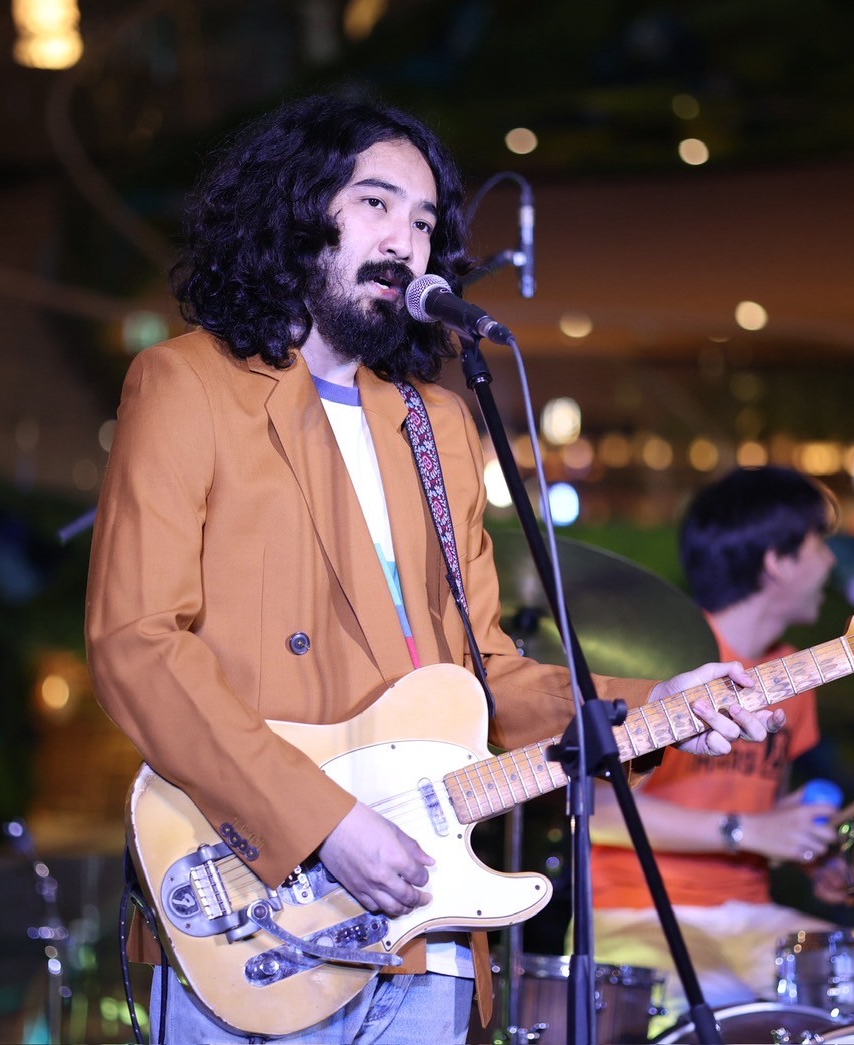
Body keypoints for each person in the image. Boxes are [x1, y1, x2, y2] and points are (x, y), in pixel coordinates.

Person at [83, 93, 784, 1044]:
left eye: (422, 222)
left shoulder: (438, 425)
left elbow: (485, 676)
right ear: (295, 209)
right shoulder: (189, 383)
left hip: (428, 929)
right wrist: (325, 820)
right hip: (263, 913)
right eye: (374, 203)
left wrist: (655, 702)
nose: (403, 242)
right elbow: (138, 645)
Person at [589, 465, 852, 1034]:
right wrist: (746, 831)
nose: (831, 562)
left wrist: (809, 852)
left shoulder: (794, 673)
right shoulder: (660, 660)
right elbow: (597, 810)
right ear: (777, 561)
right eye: (818, 543)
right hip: (635, 909)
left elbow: (762, 809)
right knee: (727, 1011)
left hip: (749, 913)